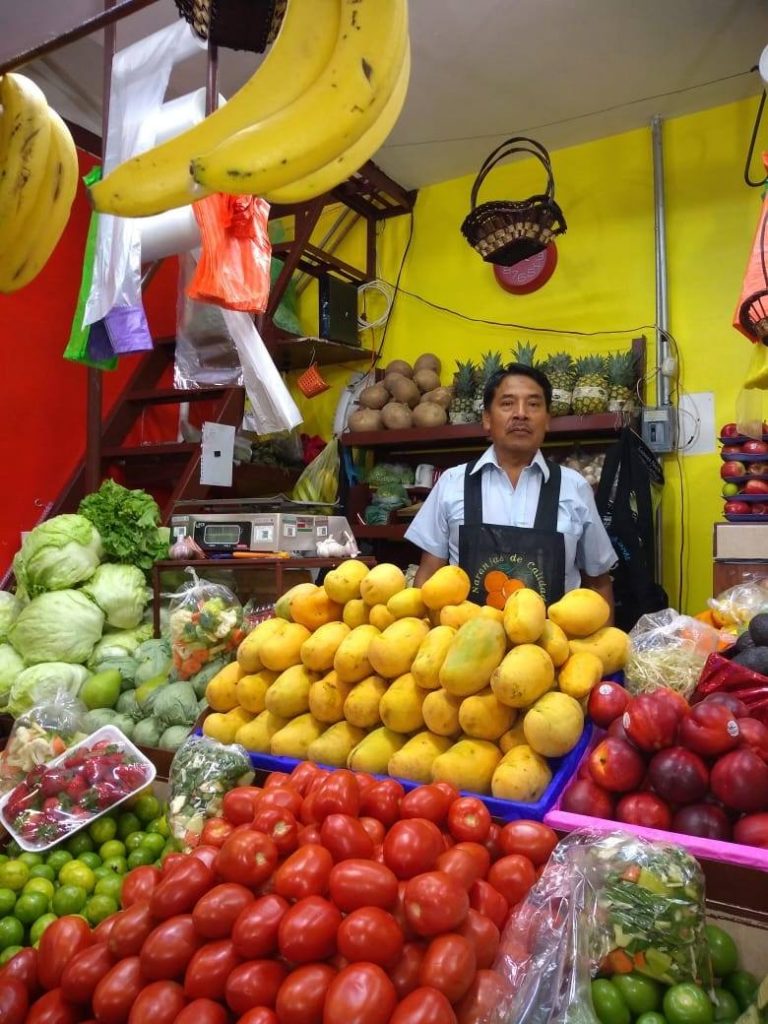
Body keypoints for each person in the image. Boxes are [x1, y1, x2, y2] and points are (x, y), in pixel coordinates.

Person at [405, 362, 617, 612]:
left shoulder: (574, 488)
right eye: (507, 403)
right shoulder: (452, 483)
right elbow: (429, 576)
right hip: (467, 643)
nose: (521, 414)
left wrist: (600, 650)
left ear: (547, 420)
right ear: (486, 418)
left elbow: (599, 584)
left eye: (534, 404)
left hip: (551, 648)